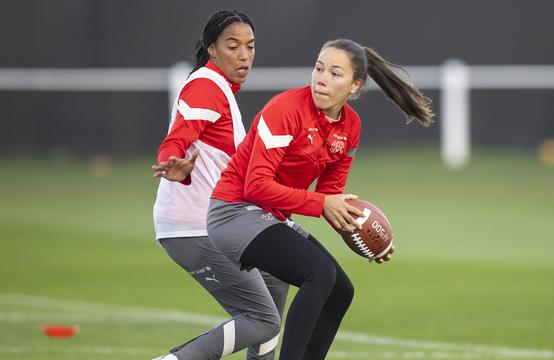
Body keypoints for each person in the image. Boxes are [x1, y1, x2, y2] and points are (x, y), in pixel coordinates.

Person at [207, 39, 434, 359]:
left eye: (335, 73)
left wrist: (366, 236)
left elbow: (331, 194)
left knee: (341, 291)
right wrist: (324, 203)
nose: (322, 78)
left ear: (355, 85)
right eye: (319, 68)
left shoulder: (351, 125)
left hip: (272, 218)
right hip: (234, 212)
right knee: (319, 274)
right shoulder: (285, 108)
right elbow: (255, 186)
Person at [151, 10, 288, 360]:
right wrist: (173, 162)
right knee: (261, 319)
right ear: (212, 48)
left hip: (216, 224)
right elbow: (178, 136)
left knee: (277, 275)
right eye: (233, 46)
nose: (244, 55)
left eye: (250, 46)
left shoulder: (219, 88)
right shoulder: (206, 87)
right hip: (194, 228)